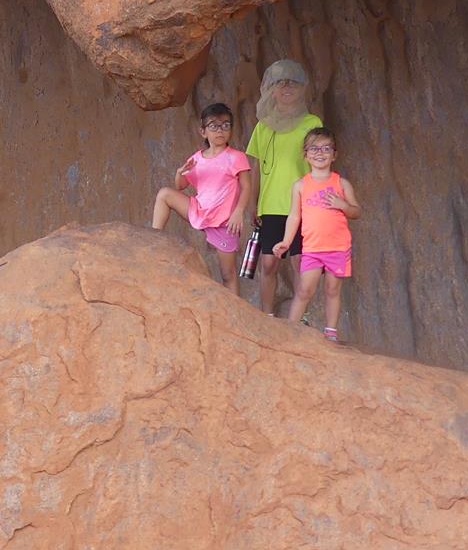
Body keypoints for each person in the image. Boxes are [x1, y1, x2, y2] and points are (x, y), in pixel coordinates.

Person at [244, 60, 323, 315]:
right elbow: (256, 167)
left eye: (293, 82)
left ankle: (300, 318)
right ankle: (267, 317)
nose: (286, 87)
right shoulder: (263, 126)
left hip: (303, 205)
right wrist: (254, 203)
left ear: (303, 89)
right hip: (271, 205)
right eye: (280, 82)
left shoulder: (311, 122)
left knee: (302, 262)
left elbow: (319, 164)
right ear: (270, 89)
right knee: (268, 264)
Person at [272, 127, 361, 342]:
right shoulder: (301, 185)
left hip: (338, 247)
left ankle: (330, 332)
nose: (320, 153)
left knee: (332, 289)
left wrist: (343, 205)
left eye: (326, 148)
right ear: (305, 154)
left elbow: (357, 211)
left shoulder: (341, 184)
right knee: (304, 289)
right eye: (314, 149)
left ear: (334, 154)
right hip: (312, 248)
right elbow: (294, 216)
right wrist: (286, 241)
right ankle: (290, 332)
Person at [151, 103, 252, 291]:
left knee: (227, 274)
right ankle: (153, 237)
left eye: (225, 125)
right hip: (199, 210)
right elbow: (179, 187)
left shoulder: (236, 157)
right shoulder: (197, 157)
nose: (220, 130)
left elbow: (246, 187)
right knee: (165, 194)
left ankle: (233, 316)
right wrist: (179, 172)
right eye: (213, 126)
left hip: (224, 221)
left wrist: (239, 212)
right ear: (203, 131)